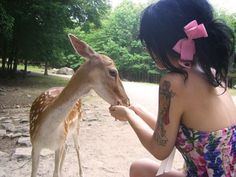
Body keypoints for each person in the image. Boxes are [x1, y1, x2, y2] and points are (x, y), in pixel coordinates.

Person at [109, 0, 236, 176]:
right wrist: (137, 110)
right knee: (140, 168)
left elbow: (160, 149)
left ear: (162, 41)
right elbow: (177, 134)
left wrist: (129, 116)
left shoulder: (175, 82)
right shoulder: (212, 73)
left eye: (149, 42)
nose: (147, 50)